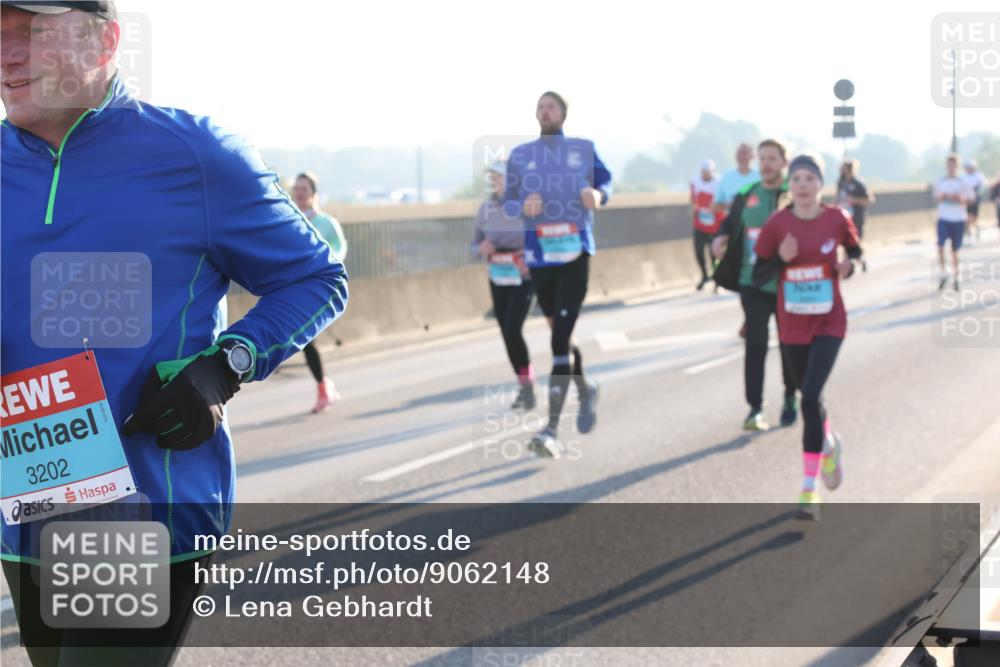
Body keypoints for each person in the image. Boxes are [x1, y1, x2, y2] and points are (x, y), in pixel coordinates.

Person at [0, 3, 348, 665]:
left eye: (33, 31)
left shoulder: (194, 155)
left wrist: (225, 364)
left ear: (105, 40)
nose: (7, 55)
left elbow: (317, 277)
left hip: (144, 504)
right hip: (28, 502)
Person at [752, 153, 861, 520]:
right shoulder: (776, 224)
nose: (802, 185)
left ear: (820, 184)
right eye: (796, 178)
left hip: (830, 321)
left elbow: (857, 253)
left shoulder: (836, 218)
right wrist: (782, 259)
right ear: (790, 185)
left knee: (810, 397)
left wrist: (849, 264)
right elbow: (759, 273)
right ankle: (828, 444)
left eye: (809, 178)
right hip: (793, 324)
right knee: (809, 399)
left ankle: (809, 487)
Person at [503, 91, 611, 458]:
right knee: (560, 336)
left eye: (551, 106)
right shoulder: (520, 156)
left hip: (576, 254)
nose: (545, 111)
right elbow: (508, 202)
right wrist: (522, 205)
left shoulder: (582, 149)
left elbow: (605, 184)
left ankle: (550, 429)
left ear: (564, 113)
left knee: (558, 341)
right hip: (540, 257)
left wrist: (598, 196)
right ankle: (585, 389)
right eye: (540, 106)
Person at [711, 139, 798, 431]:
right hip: (753, 282)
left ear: (784, 163)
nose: (766, 164)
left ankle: (790, 395)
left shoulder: (795, 194)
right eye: (763, 158)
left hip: (788, 285)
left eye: (773, 158)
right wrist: (719, 238)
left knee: (789, 345)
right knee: (756, 343)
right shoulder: (748, 193)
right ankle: (755, 408)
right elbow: (729, 222)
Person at [473, 161, 537, 409]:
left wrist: (528, 257)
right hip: (498, 275)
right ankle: (525, 385)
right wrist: (481, 248)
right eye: (492, 177)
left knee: (513, 330)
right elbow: (474, 244)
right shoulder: (486, 209)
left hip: (523, 275)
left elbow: (539, 236)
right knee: (506, 334)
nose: (495, 181)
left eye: (499, 176)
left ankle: (531, 384)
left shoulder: (525, 207)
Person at [292, 171, 348, 413]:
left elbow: (340, 247)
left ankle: (324, 388)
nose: (300, 193)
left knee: (306, 337)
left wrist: (325, 262)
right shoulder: (289, 218)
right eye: (297, 188)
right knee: (305, 339)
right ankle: (324, 386)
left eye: (304, 189)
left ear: (313, 193)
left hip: (318, 285)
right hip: (295, 285)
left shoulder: (326, 222)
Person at [933, 154, 974, 291]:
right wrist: (943, 197)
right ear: (946, 166)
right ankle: (944, 272)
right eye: (949, 165)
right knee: (940, 246)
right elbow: (936, 197)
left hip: (958, 219)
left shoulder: (963, 182)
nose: (951, 168)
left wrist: (960, 199)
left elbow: (971, 199)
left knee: (954, 250)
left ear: (957, 166)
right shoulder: (940, 181)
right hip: (944, 218)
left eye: (953, 165)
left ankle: (957, 276)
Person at [836, 159, 874, 271]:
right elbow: (838, 197)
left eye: (844, 168)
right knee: (842, 240)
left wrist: (854, 200)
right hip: (843, 217)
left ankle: (860, 259)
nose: (842, 171)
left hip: (856, 217)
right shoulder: (841, 183)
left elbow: (869, 200)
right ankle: (849, 263)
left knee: (856, 240)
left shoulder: (859, 183)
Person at [691, 158, 723, 291]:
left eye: (708, 172)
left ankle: (717, 279)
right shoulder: (695, 182)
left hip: (715, 226)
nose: (705, 174)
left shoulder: (719, 183)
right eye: (704, 171)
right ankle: (704, 275)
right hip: (700, 225)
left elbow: (722, 203)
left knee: (714, 255)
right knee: (698, 252)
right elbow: (693, 201)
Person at [714, 142, 760, 217]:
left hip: (755, 223)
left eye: (745, 153)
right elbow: (715, 205)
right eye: (739, 153)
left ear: (753, 156)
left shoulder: (760, 176)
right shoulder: (726, 176)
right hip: (732, 223)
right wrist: (733, 205)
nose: (742, 156)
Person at [960, 158, 987, 243]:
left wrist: (976, 192)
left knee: (973, 218)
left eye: (970, 167)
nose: (969, 169)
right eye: (967, 167)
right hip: (966, 200)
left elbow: (984, 186)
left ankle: (977, 229)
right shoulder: (962, 176)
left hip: (975, 199)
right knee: (967, 218)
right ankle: (969, 236)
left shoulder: (979, 175)